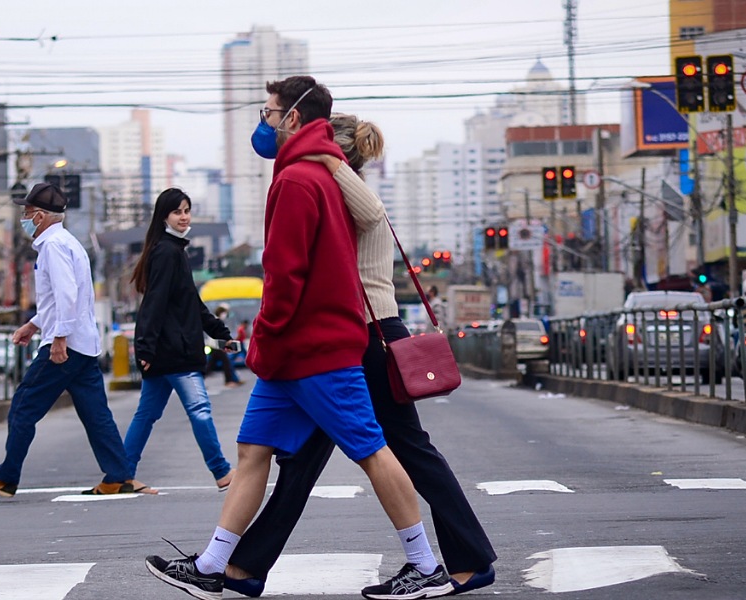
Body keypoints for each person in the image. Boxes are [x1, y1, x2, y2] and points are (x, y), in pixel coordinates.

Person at [145, 76, 452, 600]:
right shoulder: (317, 175)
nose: (262, 123)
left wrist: (262, 338)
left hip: (315, 350)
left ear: (292, 119)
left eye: (268, 113)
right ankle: (213, 564)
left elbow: (284, 275)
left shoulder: (297, 181)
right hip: (298, 353)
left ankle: (425, 565)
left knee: (373, 450)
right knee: (252, 450)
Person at [223, 114, 496, 598]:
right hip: (344, 336)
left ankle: (469, 561)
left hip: (371, 337)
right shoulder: (329, 188)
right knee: (304, 461)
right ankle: (244, 568)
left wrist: (321, 152)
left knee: (408, 451)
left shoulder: (347, 186)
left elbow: (371, 213)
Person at [0, 183, 148, 496]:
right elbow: (61, 299)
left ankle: (6, 476)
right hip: (84, 344)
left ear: (39, 216)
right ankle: (118, 475)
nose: (23, 218)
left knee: (23, 407)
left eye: (26, 213)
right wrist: (33, 325)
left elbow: (67, 295)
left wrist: (58, 338)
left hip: (64, 346)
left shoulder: (53, 246)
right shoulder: (68, 242)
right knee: (96, 414)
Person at [126, 188, 238, 493]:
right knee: (200, 409)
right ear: (164, 216)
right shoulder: (166, 252)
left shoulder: (172, 250)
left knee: (146, 415)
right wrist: (145, 346)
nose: (184, 216)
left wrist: (220, 333)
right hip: (174, 352)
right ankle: (222, 471)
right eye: (177, 211)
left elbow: (190, 303)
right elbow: (155, 302)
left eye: (187, 210)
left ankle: (122, 475)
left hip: (167, 351)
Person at [206, 305, 242, 387]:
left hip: (216, 346)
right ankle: (229, 380)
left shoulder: (218, 320)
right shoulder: (215, 320)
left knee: (210, 366)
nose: (226, 315)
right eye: (225, 313)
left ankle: (232, 379)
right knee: (226, 363)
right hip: (216, 346)